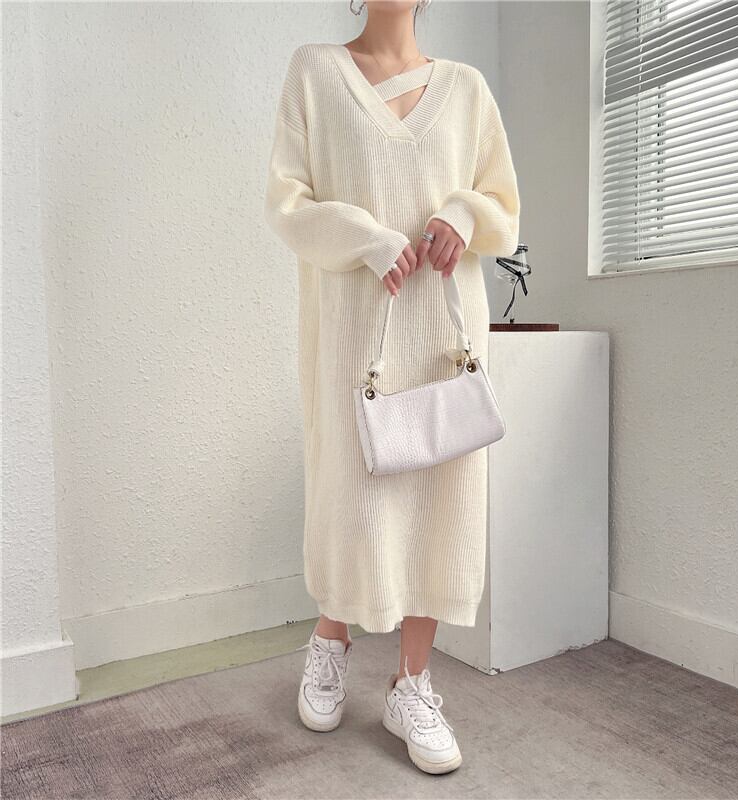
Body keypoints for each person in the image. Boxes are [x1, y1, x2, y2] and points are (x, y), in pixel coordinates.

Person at [264, 0, 520, 775]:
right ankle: (330, 638)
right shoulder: (315, 72)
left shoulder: (466, 88)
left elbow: (502, 206)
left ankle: (412, 685)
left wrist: (461, 213)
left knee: (440, 496)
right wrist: (367, 239)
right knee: (352, 485)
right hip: (352, 328)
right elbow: (287, 201)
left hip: (442, 331)